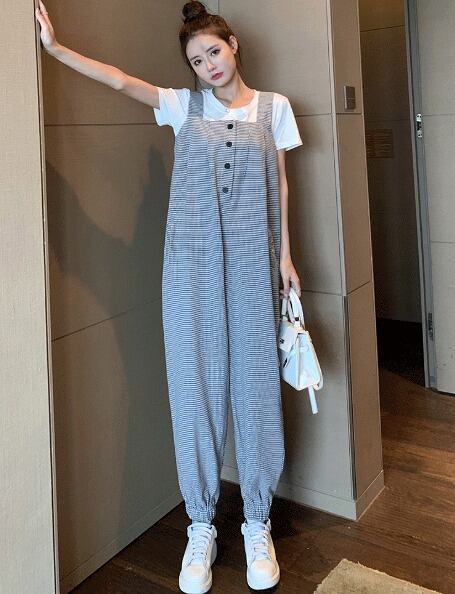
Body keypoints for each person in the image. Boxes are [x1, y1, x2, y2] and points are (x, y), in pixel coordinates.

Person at [36, 1, 303, 592]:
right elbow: (119, 80)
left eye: (214, 51)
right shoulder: (184, 108)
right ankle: (201, 526)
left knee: (257, 391)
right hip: (189, 272)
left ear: (233, 44)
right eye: (196, 60)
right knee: (194, 391)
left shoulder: (275, 109)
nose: (208, 65)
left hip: (254, 269)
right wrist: (56, 50)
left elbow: (282, 184)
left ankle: (256, 521)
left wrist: (285, 257)